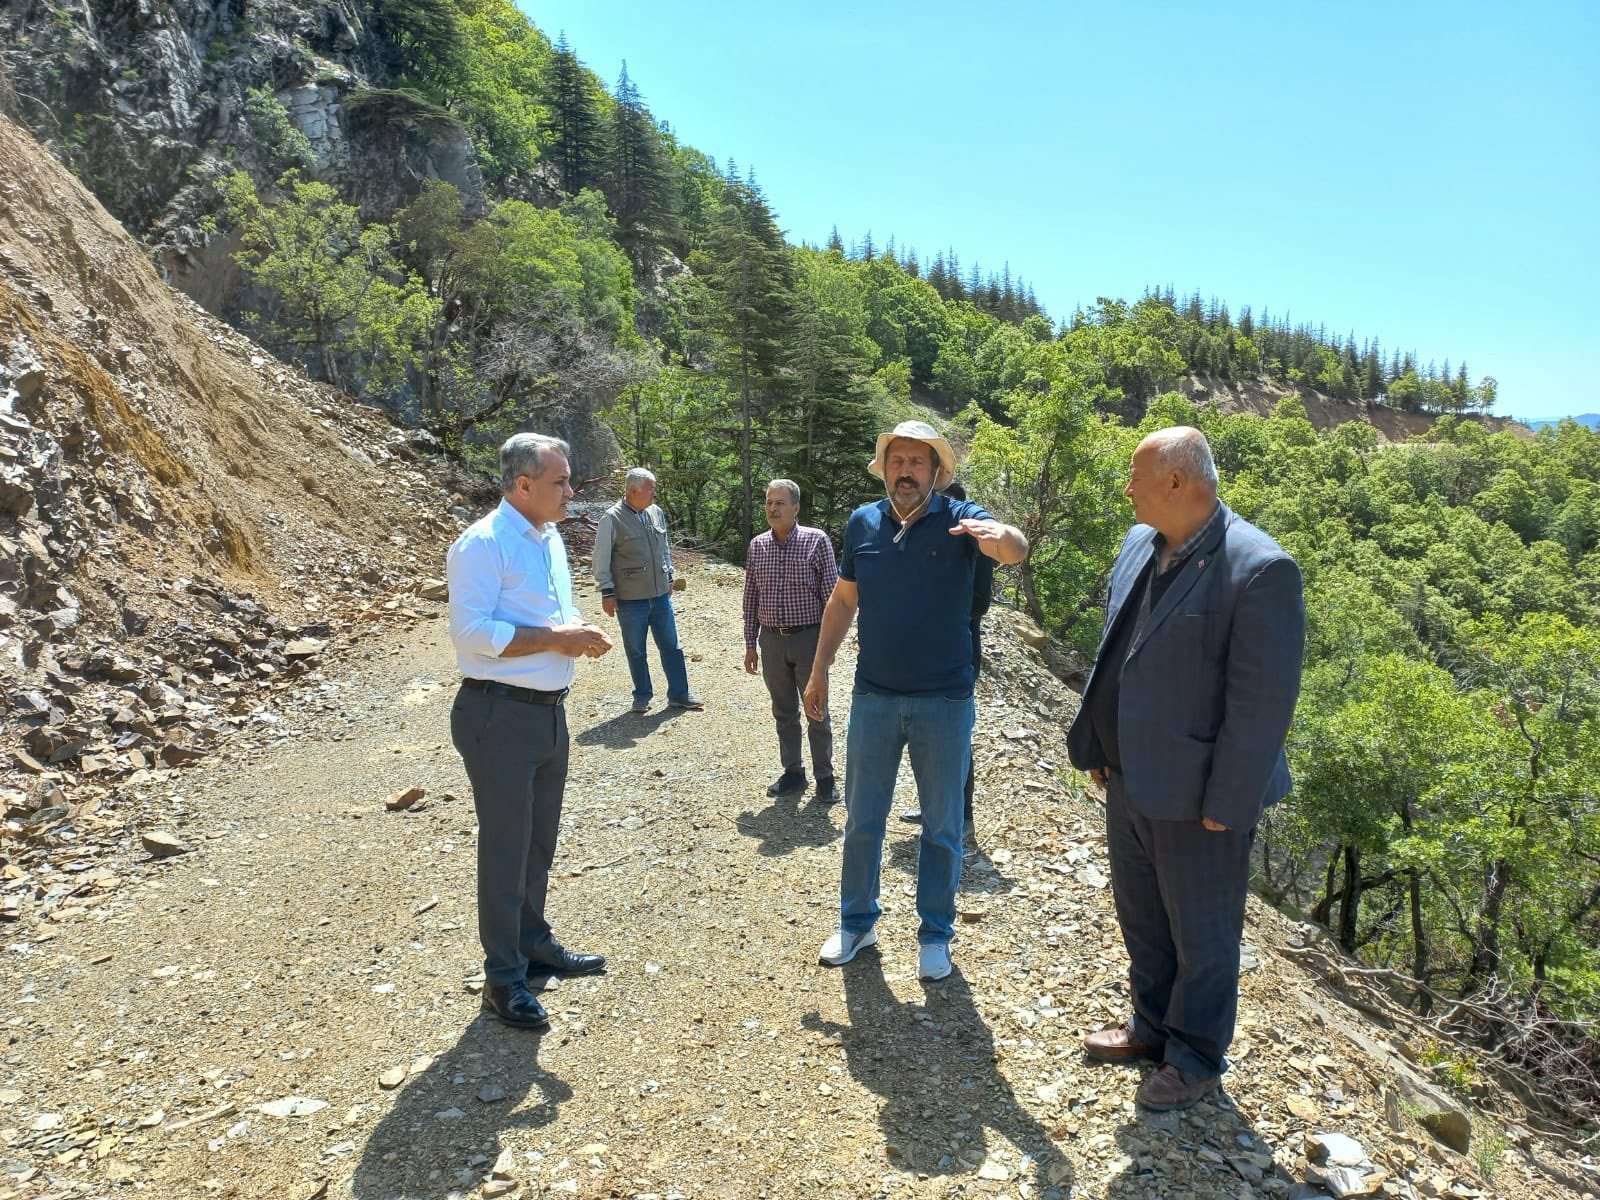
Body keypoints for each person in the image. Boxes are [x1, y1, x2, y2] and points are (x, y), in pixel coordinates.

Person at [1067, 426, 1304, 1110]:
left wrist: (1227, 803)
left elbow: (1260, 705)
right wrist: (1102, 749)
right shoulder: (1139, 544)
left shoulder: (1260, 569)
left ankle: (1195, 1055)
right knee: (1141, 917)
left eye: (1136, 475)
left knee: (1203, 933)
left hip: (1202, 795)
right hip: (1129, 777)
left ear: (1176, 481)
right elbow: (1120, 654)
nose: (1127, 488)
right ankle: (1150, 1028)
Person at [804, 421, 1028, 981]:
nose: (905, 471)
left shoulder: (961, 519)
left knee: (942, 826)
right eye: (896, 461)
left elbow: (1014, 549)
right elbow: (843, 599)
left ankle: (935, 934)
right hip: (874, 695)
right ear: (885, 469)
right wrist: (819, 669)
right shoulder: (862, 523)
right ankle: (857, 923)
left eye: (917, 463)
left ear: (936, 472)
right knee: (863, 820)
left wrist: (998, 536)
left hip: (945, 699)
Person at [447, 433, 615, 1030]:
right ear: (523, 485)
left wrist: (576, 632)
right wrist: (555, 640)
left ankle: (533, 942)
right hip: (498, 714)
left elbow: (545, 616)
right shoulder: (482, 544)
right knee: (505, 846)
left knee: (539, 839)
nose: (571, 492)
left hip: (545, 711)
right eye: (561, 482)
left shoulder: (548, 541)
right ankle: (503, 978)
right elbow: (470, 634)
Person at [899, 478, 993, 836]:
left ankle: (963, 815)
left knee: (955, 735)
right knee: (921, 729)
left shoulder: (974, 542)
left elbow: (980, 603)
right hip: (922, 649)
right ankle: (931, 808)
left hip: (960, 647)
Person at [742, 479, 840, 801]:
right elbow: (751, 596)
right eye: (769, 502)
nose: (772, 508)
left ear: (796, 508)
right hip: (771, 641)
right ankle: (793, 773)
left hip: (808, 638)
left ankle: (825, 776)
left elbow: (832, 597)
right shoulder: (758, 545)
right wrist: (750, 644)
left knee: (816, 708)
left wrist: (829, 649)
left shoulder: (816, 542)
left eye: (780, 503)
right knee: (783, 711)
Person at [593, 468, 704, 715]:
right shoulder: (611, 519)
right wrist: (607, 592)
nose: (655, 492)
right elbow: (601, 559)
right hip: (631, 599)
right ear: (633, 490)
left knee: (672, 647)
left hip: (660, 595)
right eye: (650, 488)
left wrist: (670, 575)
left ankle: (680, 695)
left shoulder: (656, 513)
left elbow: (664, 548)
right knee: (636, 649)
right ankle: (642, 696)